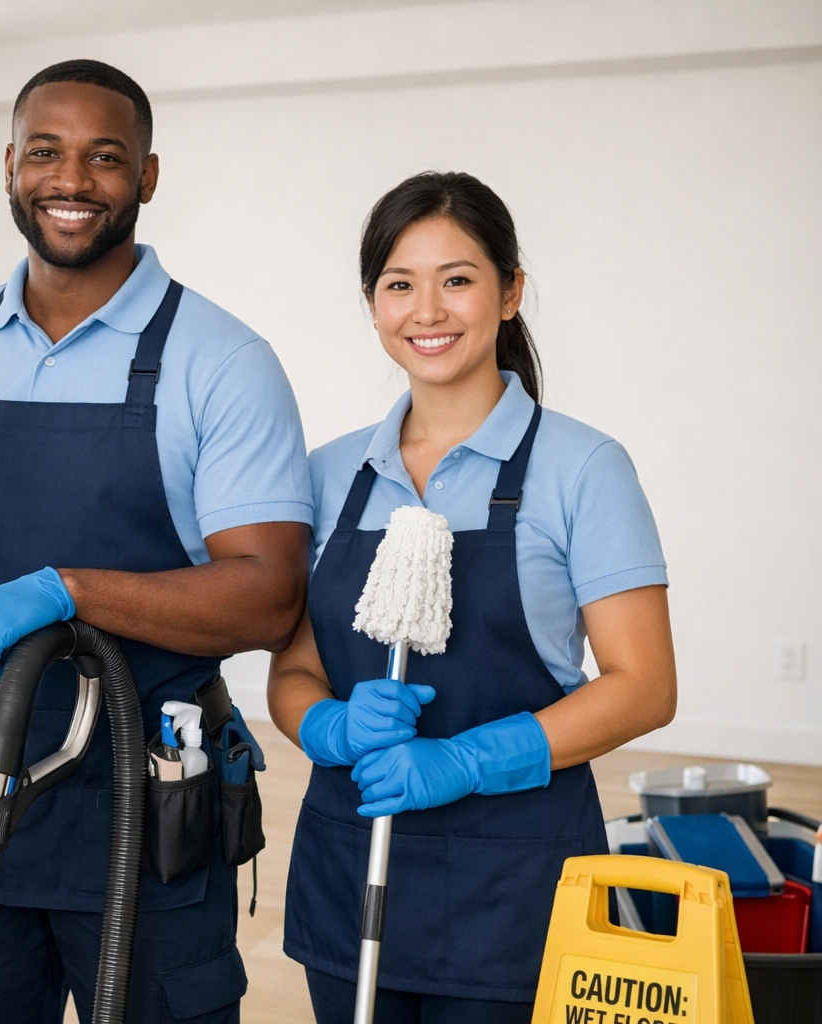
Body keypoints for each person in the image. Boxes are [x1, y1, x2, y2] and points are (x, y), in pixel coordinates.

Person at [0, 59, 314, 1023]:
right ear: (9, 167)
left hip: (143, 804)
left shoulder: (222, 362)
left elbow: (269, 593)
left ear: (148, 176)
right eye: (45, 153)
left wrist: (64, 588)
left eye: (105, 157)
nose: (71, 181)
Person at [268, 171, 677, 1023]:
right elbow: (294, 670)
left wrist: (464, 761)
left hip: (513, 883)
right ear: (372, 304)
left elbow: (644, 685)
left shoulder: (584, 468)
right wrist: (328, 726)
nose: (429, 311)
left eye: (457, 279)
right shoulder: (329, 475)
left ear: (510, 291)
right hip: (353, 867)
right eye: (399, 285)